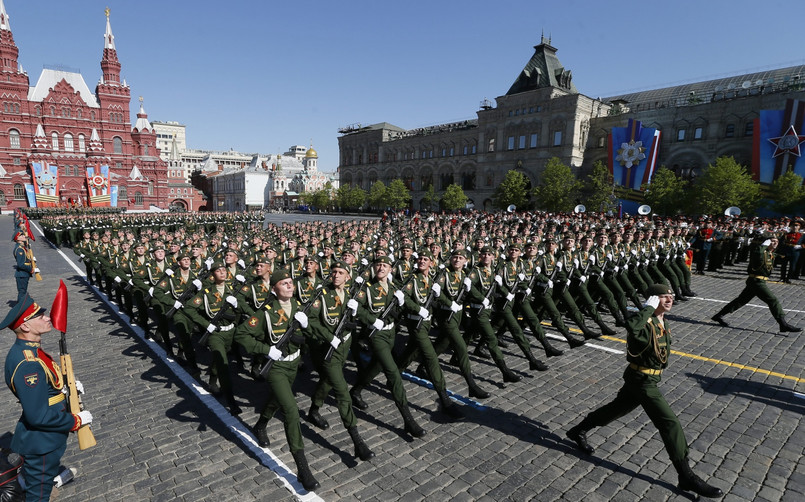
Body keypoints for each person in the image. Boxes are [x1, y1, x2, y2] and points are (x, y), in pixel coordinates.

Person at [566, 284, 724, 499]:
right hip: (642, 380)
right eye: (663, 297)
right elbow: (631, 326)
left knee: (617, 409)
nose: (669, 300)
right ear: (652, 300)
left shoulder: (661, 320)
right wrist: (647, 309)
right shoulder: (644, 319)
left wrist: (654, 310)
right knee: (669, 422)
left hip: (647, 377)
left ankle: (579, 430)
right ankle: (686, 475)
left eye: (670, 296)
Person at [3, 295, 93, 501]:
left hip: (46, 438)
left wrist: (65, 386)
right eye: (39, 316)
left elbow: (45, 384)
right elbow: (38, 415)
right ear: (25, 326)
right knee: (38, 496)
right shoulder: (28, 364)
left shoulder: (31, 351)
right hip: (41, 443)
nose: (46, 318)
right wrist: (75, 420)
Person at [711, 235, 801, 332]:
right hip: (756, 281)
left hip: (758, 281)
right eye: (772, 241)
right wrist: (763, 245)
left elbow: (783, 254)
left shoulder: (771, 253)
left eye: (776, 241)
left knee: (741, 300)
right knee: (773, 300)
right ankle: (783, 324)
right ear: (767, 242)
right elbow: (757, 253)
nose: (775, 243)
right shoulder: (760, 252)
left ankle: (718, 316)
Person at [13, 232, 37, 305]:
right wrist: (31, 269)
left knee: (23, 291)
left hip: (24, 274)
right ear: (18, 239)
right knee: (22, 293)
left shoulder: (22, 247)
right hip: (22, 274)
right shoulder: (19, 249)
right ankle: (20, 308)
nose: (24, 236)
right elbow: (21, 264)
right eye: (21, 235)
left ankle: (22, 307)